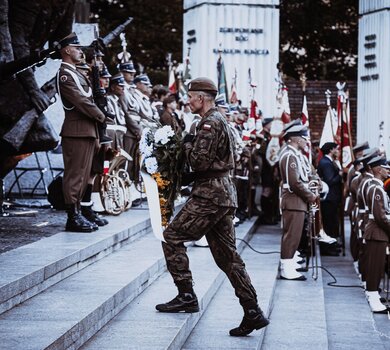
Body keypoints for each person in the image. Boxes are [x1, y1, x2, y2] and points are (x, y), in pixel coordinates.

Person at [155, 77, 269, 336]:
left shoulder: (208, 124)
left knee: (171, 236)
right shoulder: (221, 121)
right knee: (228, 258)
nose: (188, 100)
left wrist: (182, 143)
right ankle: (252, 311)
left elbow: (199, 162)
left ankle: (186, 295)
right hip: (222, 195)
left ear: (202, 98)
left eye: (191, 96)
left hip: (210, 196)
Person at [56, 33, 108, 232]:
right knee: (75, 175)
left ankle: (80, 211)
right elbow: (82, 101)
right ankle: (73, 217)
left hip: (87, 130)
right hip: (76, 130)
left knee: (85, 174)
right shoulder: (65, 74)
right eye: (77, 48)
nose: (80, 51)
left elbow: (92, 95)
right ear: (67, 50)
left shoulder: (77, 73)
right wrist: (102, 116)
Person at [278, 124, 318, 280]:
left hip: (297, 201)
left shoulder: (293, 155)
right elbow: (295, 182)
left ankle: (290, 263)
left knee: (295, 235)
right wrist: (310, 196)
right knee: (291, 236)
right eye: (302, 137)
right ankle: (286, 269)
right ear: (293, 138)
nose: (305, 141)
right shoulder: (289, 156)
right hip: (293, 200)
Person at [364, 156, 390, 313]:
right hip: (376, 232)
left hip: (378, 232)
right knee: (375, 267)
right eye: (386, 168)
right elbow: (380, 216)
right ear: (378, 170)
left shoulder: (377, 187)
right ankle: (373, 298)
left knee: (377, 265)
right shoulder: (376, 188)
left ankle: (372, 293)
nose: (388, 171)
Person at [317, 142, 342, 255]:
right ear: (331, 150)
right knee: (328, 224)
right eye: (336, 149)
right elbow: (330, 180)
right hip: (329, 198)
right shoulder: (326, 163)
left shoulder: (329, 161)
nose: (338, 151)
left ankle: (332, 245)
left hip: (332, 198)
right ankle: (327, 248)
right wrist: (340, 175)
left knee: (332, 223)